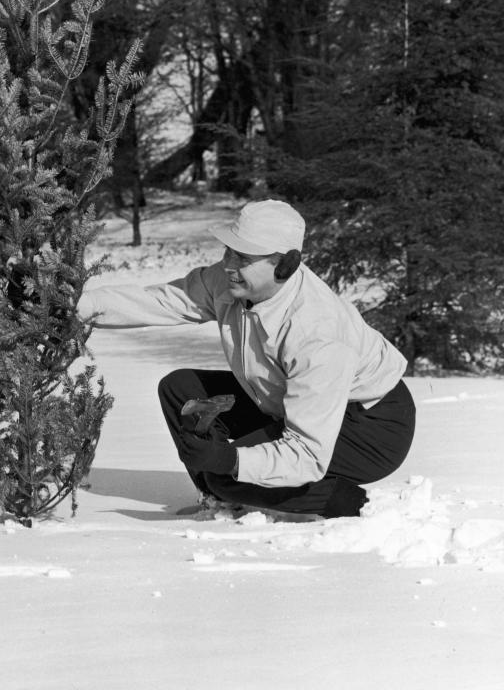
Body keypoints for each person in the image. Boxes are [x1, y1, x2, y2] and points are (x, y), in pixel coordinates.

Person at [78, 199, 415, 519]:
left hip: (368, 426)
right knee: (181, 389)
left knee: (228, 475)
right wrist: (70, 305)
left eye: (243, 258)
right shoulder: (229, 282)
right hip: (283, 399)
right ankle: (222, 497)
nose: (228, 264)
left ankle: (346, 502)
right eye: (229, 251)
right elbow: (163, 300)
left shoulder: (319, 335)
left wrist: (232, 460)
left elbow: (307, 453)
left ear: (285, 264)